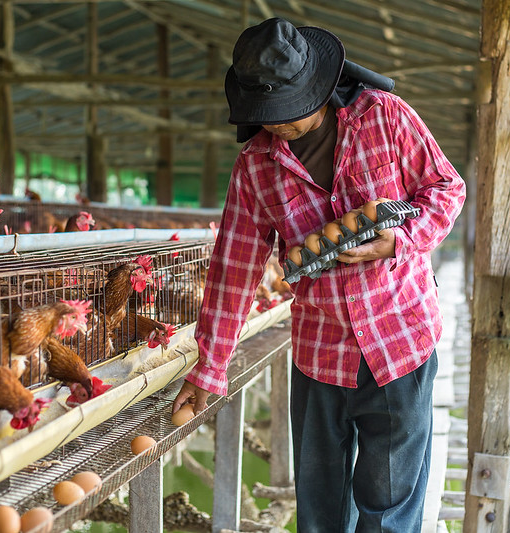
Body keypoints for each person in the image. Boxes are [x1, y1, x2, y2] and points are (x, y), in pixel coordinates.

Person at [171, 17, 466, 533]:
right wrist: (210, 366)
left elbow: (446, 189)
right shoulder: (255, 166)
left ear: (318, 88)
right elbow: (234, 266)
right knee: (320, 511)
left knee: (388, 507)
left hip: (399, 340)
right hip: (319, 351)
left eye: (286, 110)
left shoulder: (383, 117)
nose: (276, 124)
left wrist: (399, 238)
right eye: (266, 114)